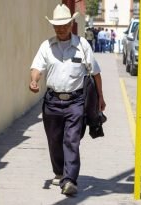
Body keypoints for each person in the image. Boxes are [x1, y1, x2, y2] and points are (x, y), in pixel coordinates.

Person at [29, 4, 106, 195]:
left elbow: (95, 73)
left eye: (64, 24)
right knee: (54, 140)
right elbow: (37, 67)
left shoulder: (82, 45)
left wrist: (100, 98)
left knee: (72, 140)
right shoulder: (46, 46)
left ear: (71, 24)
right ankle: (59, 172)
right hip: (52, 102)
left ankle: (70, 180)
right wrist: (34, 80)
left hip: (76, 101)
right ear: (53, 26)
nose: (61, 28)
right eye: (57, 25)